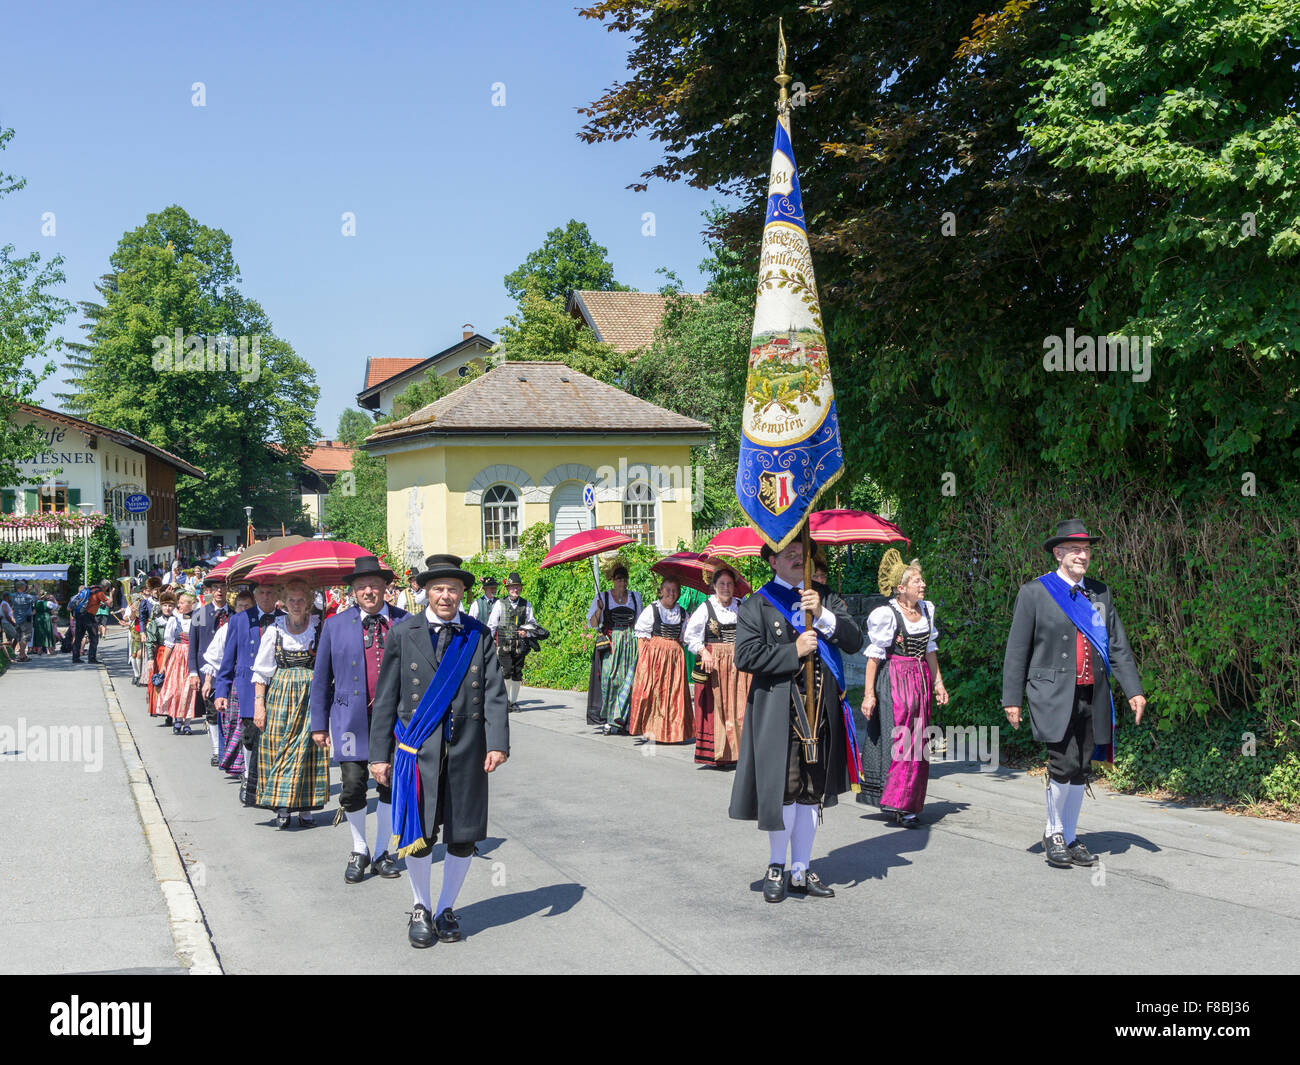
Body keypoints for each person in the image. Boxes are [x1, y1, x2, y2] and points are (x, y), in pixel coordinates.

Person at [369, 554, 510, 948]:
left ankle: (447, 907)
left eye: (452, 589)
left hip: (467, 748)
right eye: (438, 588)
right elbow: (385, 699)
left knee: (463, 835)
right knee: (422, 834)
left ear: (463, 592)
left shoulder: (478, 635)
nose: (445, 596)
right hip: (418, 750)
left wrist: (497, 743)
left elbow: (496, 694)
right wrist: (379, 755)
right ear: (425, 591)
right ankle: (420, 906)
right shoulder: (403, 632)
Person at [1003, 519, 1145, 868]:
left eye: (1087, 550)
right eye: (1076, 550)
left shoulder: (1100, 593)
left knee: (1081, 765)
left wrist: (1134, 690)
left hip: (1092, 693)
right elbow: (1017, 649)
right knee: (1062, 762)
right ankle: (1053, 832)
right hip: (1051, 694)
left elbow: (1118, 647)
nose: (1084, 556)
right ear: (1058, 553)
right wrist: (1012, 698)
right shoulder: (1034, 592)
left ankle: (1070, 835)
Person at [729, 536, 864, 903]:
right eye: (786, 553)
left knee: (811, 790)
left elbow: (854, 640)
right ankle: (777, 865)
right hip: (780, 712)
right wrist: (794, 651)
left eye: (800, 552)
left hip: (821, 710)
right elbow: (745, 656)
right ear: (772, 561)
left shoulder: (824, 597)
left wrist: (821, 614)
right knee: (785, 789)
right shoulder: (757, 604)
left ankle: (801, 869)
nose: (795, 557)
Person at [310, 555, 409, 883]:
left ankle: (382, 852)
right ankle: (360, 848)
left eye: (375, 585)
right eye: (362, 586)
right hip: (350, 719)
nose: (369, 591)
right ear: (353, 590)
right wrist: (319, 724)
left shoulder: (405, 622)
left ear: (385, 587)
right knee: (352, 786)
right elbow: (321, 677)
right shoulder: (335, 625)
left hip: (395, 721)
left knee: (390, 785)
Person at [860, 551, 949, 827]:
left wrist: (939, 683)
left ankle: (910, 803)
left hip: (920, 679)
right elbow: (874, 657)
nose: (922, 585)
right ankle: (898, 801)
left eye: (922, 581)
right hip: (896, 681)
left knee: (918, 741)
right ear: (901, 588)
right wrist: (868, 694)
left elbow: (930, 650)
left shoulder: (927, 610)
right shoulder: (887, 614)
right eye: (917, 582)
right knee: (901, 740)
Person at [252, 580, 328, 829]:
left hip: (311, 695)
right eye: (291, 600)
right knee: (279, 747)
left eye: (301, 600)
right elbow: (262, 671)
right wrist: (259, 705)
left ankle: (306, 805)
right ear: (283, 602)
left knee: (308, 748)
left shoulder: (319, 627)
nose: (296, 605)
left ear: (308, 603)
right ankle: (282, 804)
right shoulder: (274, 630)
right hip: (281, 694)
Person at [214, 581, 284, 807]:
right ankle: (248, 778)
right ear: (255, 596)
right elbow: (228, 658)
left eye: (270, 592)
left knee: (275, 736)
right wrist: (221, 689)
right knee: (250, 736)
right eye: (261, 593)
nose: (265, 596)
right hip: (246, 686)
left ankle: (272, 782)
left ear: (277, 594)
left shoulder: (286, 617)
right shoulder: (239, 619)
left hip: (277, 685)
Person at [685, 564, 751, 767]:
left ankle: (740, 752)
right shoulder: (706, 607)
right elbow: (690, 636)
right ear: (714, 586)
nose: (725, 588)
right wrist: (704, 652)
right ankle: (719, 752)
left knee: (740, 706)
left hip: (738, 663)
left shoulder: (741, 606)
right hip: (714, 665)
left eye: (729, 584)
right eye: (721, 583)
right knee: (719, 707)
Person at [626, 577, 693, 744]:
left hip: (675, 659)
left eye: (675, 590)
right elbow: (642, 636)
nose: (671, 593)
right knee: (655, 694)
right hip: (654, 658)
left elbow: (684, 639)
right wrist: (644, 663)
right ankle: (652, 730)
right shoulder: (652, 609)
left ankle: (671, 733)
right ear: (661, 590)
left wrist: (689, 627)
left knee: (674, 695)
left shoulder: (683, 612)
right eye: (668, 589)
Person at [204, 587, 254, 779]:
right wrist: (210, 683)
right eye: (240, 606)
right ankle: (243, 769)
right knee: (237, 727)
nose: (243, 609)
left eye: (248, 606)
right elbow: (216, 660)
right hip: (236, 682)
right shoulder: (228, 627)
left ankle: (250, 771)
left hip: (255, 683)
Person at [585, 565, 642, 733]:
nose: (622, 582)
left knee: (628, 680)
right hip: (612, 642)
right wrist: (599, 609)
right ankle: (610, 719)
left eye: (625, 579)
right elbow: (593, 624)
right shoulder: (602, 597)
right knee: (610, 679)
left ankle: (624, 720)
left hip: (630, 641)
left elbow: (639, 621)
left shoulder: (635, 597)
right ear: (613, 580)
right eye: (619, 579)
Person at [189, 576, 233, 765]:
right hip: (207, 670)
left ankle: (231, 748)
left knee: (231, 711)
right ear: (209, 591)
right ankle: (217, 750)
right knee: (212, 711)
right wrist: (193, 672)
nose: (219, 591)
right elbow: (193, 645)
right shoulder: (200, 614)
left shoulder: (235, 613)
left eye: (223, 587)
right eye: (215, 587)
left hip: (231, 669)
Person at [487, 572, 540, 714]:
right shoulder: (500, 603)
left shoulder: (526, 604)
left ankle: (514, 701)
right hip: (504, 644)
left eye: (517, 587)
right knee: (506, 671)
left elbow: (532, 623)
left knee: (517, 672)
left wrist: (526, 632)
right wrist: (488, 643)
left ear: (520, 588)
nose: (515, 590)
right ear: (508, 589)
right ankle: (505, 702)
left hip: (520, 645)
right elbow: (492, 625)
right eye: (512, 587)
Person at [160, 591, 203, 734]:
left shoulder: (198, 617)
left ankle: (188, 723)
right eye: (179, 602)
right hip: (178, 657)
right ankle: (178, 719)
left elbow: (202, 641)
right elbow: (169, 643)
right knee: (177, 689)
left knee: (190, 690)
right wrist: (164, 664)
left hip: (193, 656)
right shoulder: (174, 619)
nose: (179, 605)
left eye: (183, 603)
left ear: (191, 604)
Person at [145, 592, 177, 720]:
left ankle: (172, 711)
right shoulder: (156, 622)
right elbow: (150, 642)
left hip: (176, 652)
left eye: (170, 605)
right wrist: (151, 659)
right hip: (161, 653)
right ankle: (162, 708)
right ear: (161, 606)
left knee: (174, 682)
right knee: (160, 681)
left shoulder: (178, 620)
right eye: (165, 605)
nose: (167, 608)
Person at [10, 580, 36, 662]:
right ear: (22, 587)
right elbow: (38, 597)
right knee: (25, 638)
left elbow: (21, 595)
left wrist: (28, 590)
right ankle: (21, 655)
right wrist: (37, 588)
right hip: (26, 620)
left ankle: (23, 655)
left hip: (17, 620)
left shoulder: (12, 596)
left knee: (20, 638)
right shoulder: (27, 597)